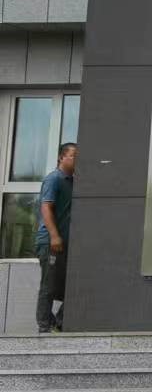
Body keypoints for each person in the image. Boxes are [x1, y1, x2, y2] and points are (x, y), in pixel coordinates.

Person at [33, 141, 74, 333]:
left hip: (65, 244)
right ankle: (44, 327)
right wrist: (55, 236)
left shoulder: (73, 182)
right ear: (61, 157)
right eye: (74, 156)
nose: (77, 160)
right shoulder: (54, 179)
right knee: (48, 286)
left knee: (73, 284)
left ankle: (57, 322)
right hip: (50, 242)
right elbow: (46, 207)